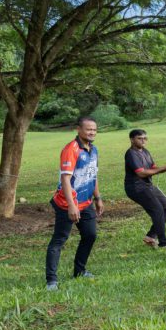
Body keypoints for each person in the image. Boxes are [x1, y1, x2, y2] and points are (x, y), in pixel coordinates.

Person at [45, 117, 104, 291]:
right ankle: (51, 281)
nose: (92, 132)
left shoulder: (93, 150)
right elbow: (65, 178)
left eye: (94, 129)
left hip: (86, 202)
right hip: (66, 203)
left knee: (90, 235)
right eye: (88, 129)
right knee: (59, 240)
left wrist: (98, 198)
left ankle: (80, 271)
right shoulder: (71, 149)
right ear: (78, 129)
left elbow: (92, 175)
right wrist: (71, 206)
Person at [124, 129, 166, 248]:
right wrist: (162, 169)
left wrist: (163, 168)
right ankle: (163, 243)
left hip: (147, 186)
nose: (143, 141)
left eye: (145, 138)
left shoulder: (145, 151)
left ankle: (151, 236)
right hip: (136, 188)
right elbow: (141, 173)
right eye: (139, 138)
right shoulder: (131, 154)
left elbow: (152, 167)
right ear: (132, 139)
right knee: (158, 210)